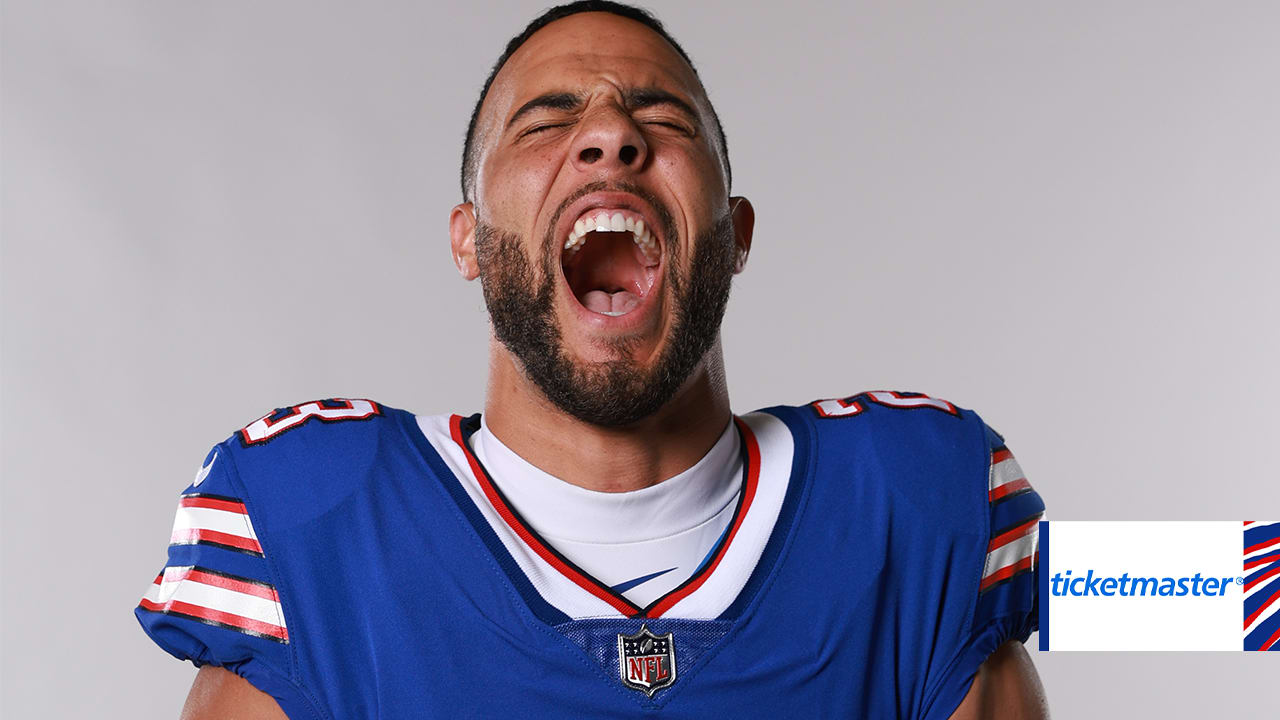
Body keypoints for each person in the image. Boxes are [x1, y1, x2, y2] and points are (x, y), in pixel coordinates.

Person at [136, 2, 1049, 717]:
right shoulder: (311, 520)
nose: (612, 135)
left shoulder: (924, 500)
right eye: (546, 121)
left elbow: (1168, 591)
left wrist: (1181, 580)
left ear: (733, 236)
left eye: (661, 116)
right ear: (471, 241)